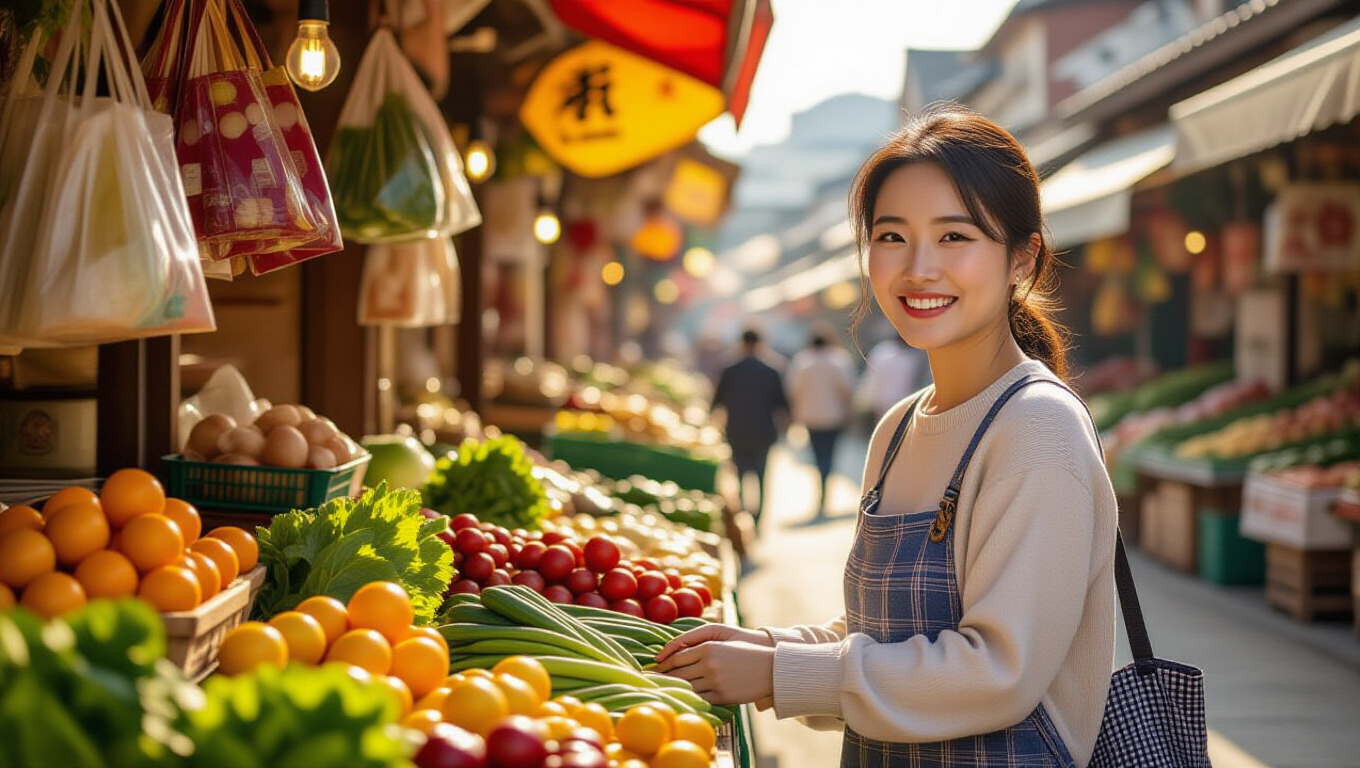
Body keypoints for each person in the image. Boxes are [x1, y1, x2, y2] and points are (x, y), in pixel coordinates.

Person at [656, 105, 1118, 768]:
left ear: (1023, 257)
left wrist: (779, 676)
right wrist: (769, 648)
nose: (918, 268)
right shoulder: (897, 428)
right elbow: (882, 638)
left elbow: (999, 671)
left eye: (955, 237)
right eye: (892, 236)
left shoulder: (1036, 429)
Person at [710, 328, 789, 528]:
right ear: (760, 344)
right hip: (764, 431)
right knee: (762, 475)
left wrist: (715, 424)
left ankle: (744, 513)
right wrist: (787, 429)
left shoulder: (730, 370)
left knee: (741, 474)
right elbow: (782, 404)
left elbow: (717, 401)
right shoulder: (771, 370)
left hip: (737, 430)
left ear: (742, 344)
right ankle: (758, 517)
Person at [786, 329, 857, 517]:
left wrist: (795, 416)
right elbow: (847, 390)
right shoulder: (839, 360)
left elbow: (793, 390)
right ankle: (825, 492)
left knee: (817, 456)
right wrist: (849, 412)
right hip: (834, 416)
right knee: (830, 455)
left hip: (810, 416)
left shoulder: (802, 361)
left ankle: (822, 491)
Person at [861, 334, 930, 423]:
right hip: (901, 405)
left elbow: (871, 380)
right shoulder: (915, 357)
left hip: (884, 404)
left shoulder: (882, 350)